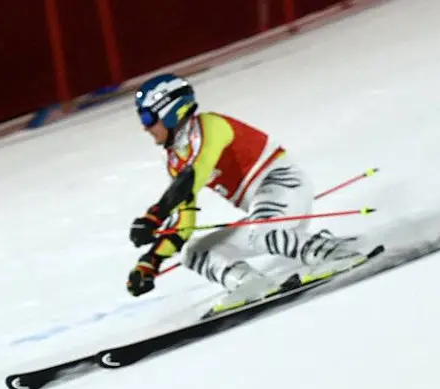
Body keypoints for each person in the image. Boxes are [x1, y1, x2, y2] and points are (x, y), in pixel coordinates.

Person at [126, 73, 365, 303]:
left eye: (147, 118)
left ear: (169, 111)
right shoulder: (176, 158)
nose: (145, 127)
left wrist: (154, 215)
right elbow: (183, 223)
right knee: (194, 251)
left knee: (261, 231)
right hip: (266, 213)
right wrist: (150, 262)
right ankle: (248, 284)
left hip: (284, 185)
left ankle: (332, 252)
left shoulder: (210, 126)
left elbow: (193, 177)